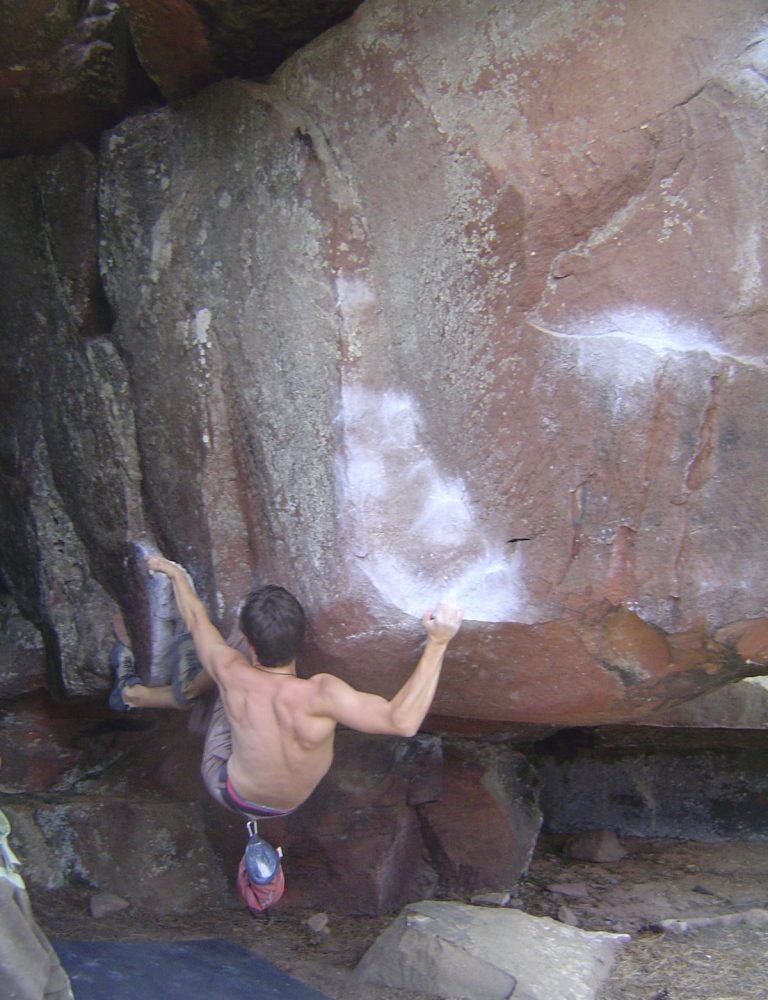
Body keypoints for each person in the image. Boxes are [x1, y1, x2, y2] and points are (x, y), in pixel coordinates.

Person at [109, 554, 463, 908]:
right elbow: (402, 721)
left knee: (218, 664)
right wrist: (437, 643)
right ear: (302, 639)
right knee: (225, 679)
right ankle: (153, 697)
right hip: (289, 803)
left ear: (251, 641)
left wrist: (175, 574)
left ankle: (142, 694)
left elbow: (196, 619)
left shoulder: (233, 670)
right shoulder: (322, 695)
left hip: (228, 788)